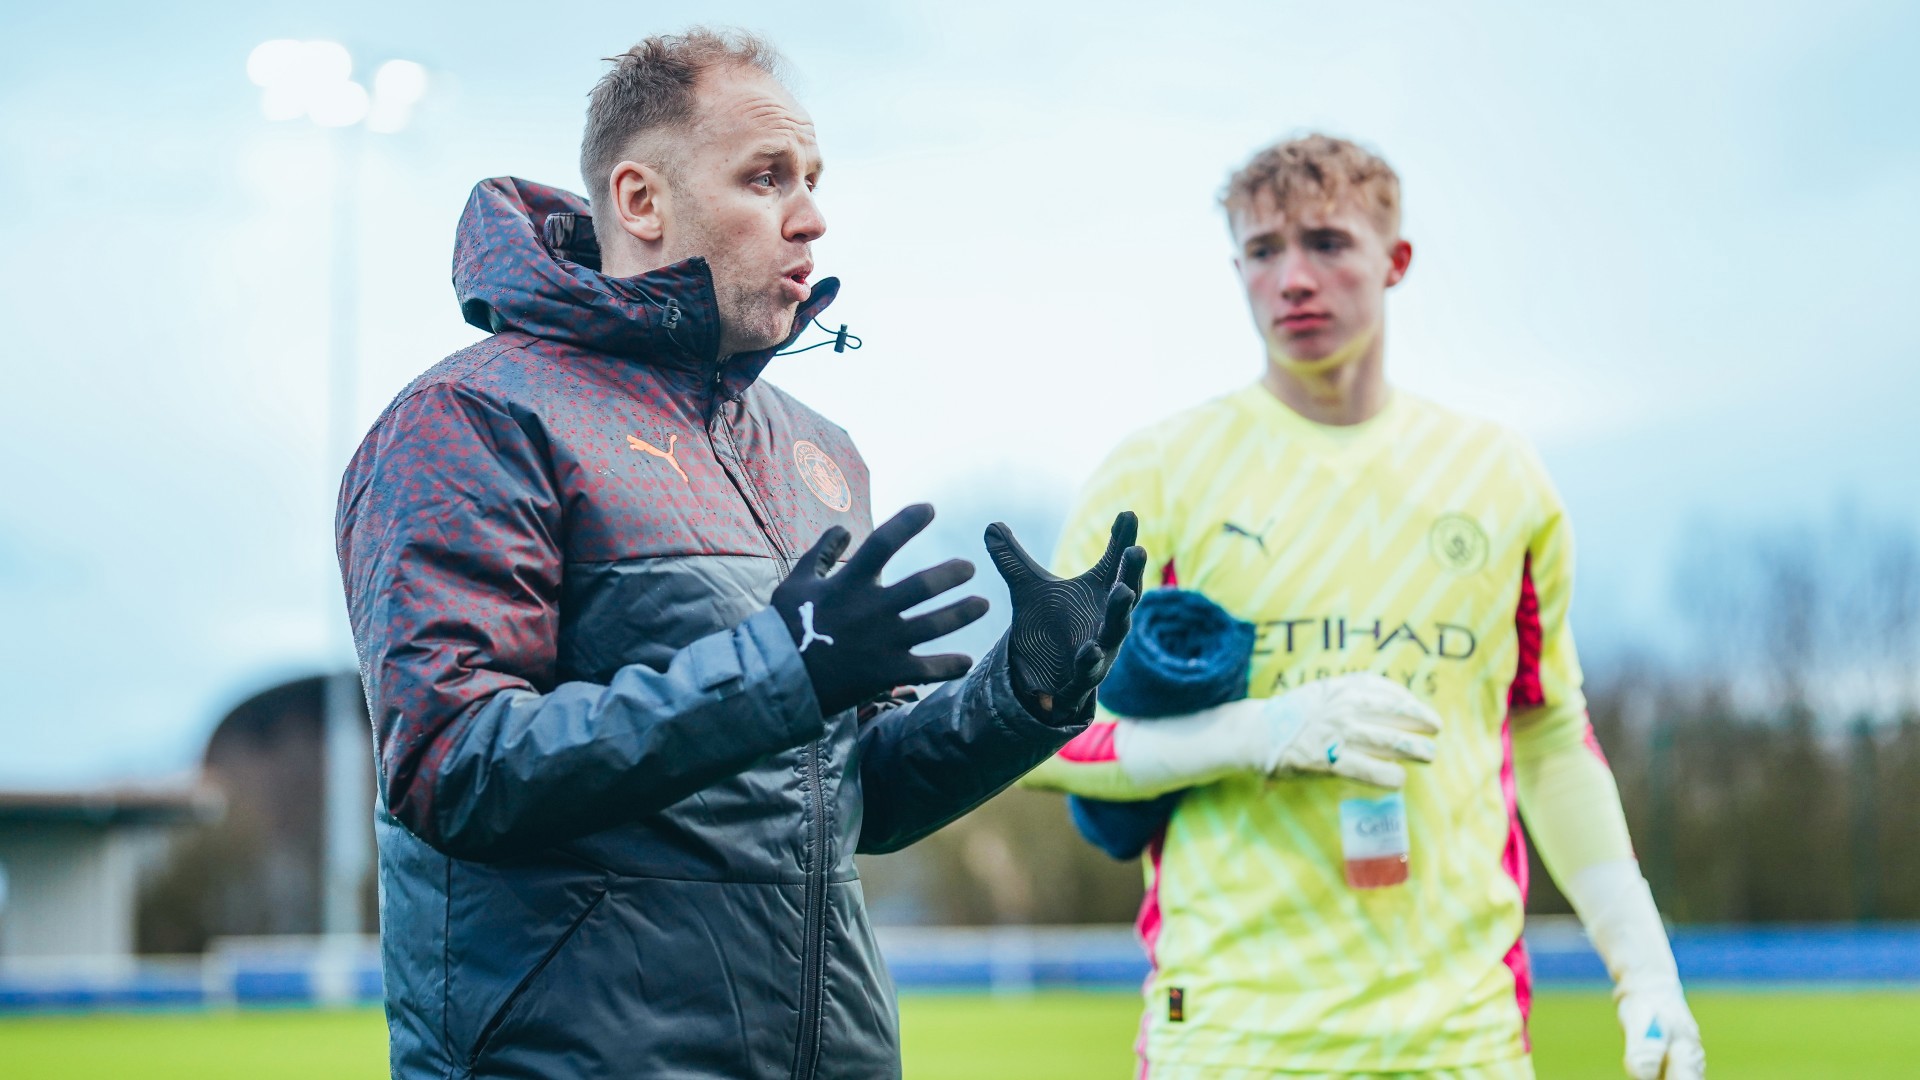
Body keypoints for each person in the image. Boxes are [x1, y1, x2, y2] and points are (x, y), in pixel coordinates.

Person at [335, 29, 1144, 1079]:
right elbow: (453, 766)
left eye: (811, 180)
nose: (810, 215)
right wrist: (784, 667)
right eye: (766, 178)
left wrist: (1021, 699)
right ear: (640, 201)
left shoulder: (816, 451)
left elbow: (855, 802)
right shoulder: (470, 418)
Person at [1021, 135, 1704, 1080]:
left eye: (1328, 243)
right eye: (1263, 251)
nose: (1293, 277)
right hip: (1231, 1033)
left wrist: (1647, 975)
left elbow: (1549, 737)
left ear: (1397, 260)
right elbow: (1037, 739)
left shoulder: (1499, 479)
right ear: (1236, 270)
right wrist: (1256, 732)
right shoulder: (1156, 474)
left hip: (1464, 1039)